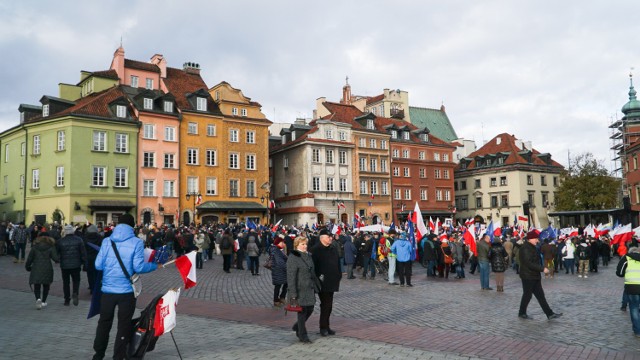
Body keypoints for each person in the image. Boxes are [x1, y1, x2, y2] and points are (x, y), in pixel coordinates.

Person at [92, 214, 160, 360]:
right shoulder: (136, 242)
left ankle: (98, 355)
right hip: (126, 292)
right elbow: (138, 266)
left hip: (107, 291)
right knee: (123, 325)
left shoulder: (106, 241)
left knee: (104, 323)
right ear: (132, 226)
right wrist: (154, 266)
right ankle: (118, 356)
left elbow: (98, 265)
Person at [518, 230, 563, 320]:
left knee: (540, 295)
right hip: (528, 276)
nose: (537, 240)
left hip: (534, 275)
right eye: (535, 239)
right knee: (527, 295)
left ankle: (549, 314)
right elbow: (528, 263)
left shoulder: (532, 247)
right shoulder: (525, 248)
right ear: (530, 239)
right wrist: (542, 269)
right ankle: (522, 312)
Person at [288, 236, 321, 343]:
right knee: (302, 312)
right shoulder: (293, 257)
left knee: (310, 308)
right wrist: (293, 293)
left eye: (306, 244)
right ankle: (303, 335)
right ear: (297, 245)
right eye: (302, 244)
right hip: (299, 289)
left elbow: (312, 271)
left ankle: (297, 326)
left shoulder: (308, 255)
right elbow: (291, 276)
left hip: (309, 288)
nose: (305, 246)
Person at [310, 228, 342, 336]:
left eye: (331, 237)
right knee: (325, 304)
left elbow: (338, 262)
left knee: (329, 305)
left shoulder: (333, 248)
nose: (331, 238)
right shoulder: (316, 249)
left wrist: (339, 274)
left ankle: (327, 326)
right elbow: (312, 267)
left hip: (332, 280)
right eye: (329, 237)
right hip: (322, 282)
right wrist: (318, 278)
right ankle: (323, 327)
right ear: (322, 238)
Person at [25, 231, 59, 309]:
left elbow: (30, 258)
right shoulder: (51, 247)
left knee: (37, 285)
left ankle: (38, 299)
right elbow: (55, 258)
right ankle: (43, 301)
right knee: (46, 285)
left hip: (36, 267)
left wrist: (27, 266)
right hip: (47, 268)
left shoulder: (35, 247)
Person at [57, 224, 87, 306]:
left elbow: (57, 254)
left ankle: (67, 299)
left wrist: (58, 260)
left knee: (66, 282)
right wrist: (84, 261)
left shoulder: (60, 241)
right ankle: (75, 293)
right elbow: (83, 252)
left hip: (64, 265)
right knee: (76, 280)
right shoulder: (79, 240)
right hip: (76, 264)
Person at [615, 246, 640, 337]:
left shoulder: (627, 258)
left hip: (632, 286)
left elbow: (620, 273)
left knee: (634, 308)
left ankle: (637, 331)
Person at [84, 224, 103, 295]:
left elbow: (84, 249)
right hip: (98, 258)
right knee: (97, 274)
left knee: (90, 274)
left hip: (88, 258)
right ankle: (97, 287)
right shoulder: (100, 238)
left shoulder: (85, 238)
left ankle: (92, 288)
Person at [271, 238, 288, 306]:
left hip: (281, 271)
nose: (284, 244)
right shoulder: (275, 250)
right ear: (280, 243)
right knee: (278, 285)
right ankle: (276, 300)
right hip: (278, 271)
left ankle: (282, 297)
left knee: (286, 283)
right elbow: (280, 262)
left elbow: (285, 258)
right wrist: (287, 267)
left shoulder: (279, 250)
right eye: (283, 243)